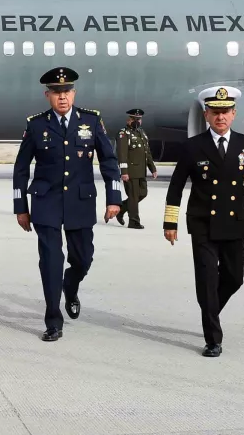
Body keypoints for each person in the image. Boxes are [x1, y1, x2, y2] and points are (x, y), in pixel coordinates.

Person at [163, 86, 244, 358]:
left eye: (225, 112)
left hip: (234, 223)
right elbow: (176, 186)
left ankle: (210, 310)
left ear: (234, 114)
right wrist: (171, 222)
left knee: (234, 277)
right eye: (215, 112)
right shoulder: (193, 147)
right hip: (202, 223)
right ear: (206, 114)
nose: (220, 117)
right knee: (206, 279)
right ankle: (213, 338)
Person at [12, 67, 123, 341]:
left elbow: (109, 162)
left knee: (83, 259)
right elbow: (21, 168)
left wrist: (114, 198)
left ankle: (70, 287)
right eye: (56, 92)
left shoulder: (91, 121)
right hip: (45, 202)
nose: (62, 97)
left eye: (67, 92)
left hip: (80, 202)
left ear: (73, 93)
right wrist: (20, 207)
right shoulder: (36, 125)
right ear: (47, 95)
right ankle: (53, 321)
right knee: (51, 261)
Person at [115, 109, 157, 229]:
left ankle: (121, 209)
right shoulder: (123, 134)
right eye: (134, 119)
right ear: (129, 120)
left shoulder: (141, 133)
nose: (137, 121)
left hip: (141, 171)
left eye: (139, 119)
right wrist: (124, 172)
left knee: (143, 193)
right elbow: (122, 154)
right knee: (133, 197)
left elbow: (147, 153)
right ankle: (134, 221)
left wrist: (152, 168)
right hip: (131, 172)